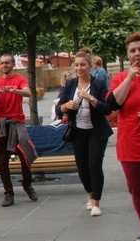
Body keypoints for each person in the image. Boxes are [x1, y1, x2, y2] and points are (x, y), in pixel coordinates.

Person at [106, 32, 140, 241]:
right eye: (132, 50)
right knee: (137, 191)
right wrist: (130, 78)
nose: (137, 53)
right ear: (128, 55)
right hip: (130, 144)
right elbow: (112, 105)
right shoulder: (121, 78)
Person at [56, 51, 112, 217]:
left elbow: (107, 108)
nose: (79, 68)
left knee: (94, 165)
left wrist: (91, 98)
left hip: (97, 131)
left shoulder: (99, 84)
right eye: (77, 65)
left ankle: (96, 202)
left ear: (90, 66)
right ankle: (89, 193)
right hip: (78, 131)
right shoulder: (71, 84)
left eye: (83, 65)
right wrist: (66, 106)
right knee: (82, 169)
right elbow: (58, 108)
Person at [0, 54, 39, 207]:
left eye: (7, 63)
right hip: (1, 124)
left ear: (12, 64)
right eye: (2, 63)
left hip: (17, 122)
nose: (4, 65)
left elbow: (28, 92)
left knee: (24, 154)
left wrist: (13, 91)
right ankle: (8, 193)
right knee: (2, 159)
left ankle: (27, 184)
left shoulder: (19, 79)